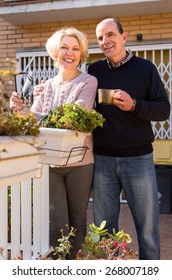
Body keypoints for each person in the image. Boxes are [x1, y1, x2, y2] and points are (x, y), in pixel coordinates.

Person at [10, 27, 98, 259]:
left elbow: (74, 117)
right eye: (64, 47)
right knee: (56, 223)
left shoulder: (88, 82)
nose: (70, 53)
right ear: (55, 52)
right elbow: (33, 123)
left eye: (75, 49)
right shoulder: (46, 86)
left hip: (80, 161)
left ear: (81, 54)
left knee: (78, 220)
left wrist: (37, 114)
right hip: (49, 161)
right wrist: (20, 110)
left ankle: (75, 267)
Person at [88, 18, 171, 260]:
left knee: (147, 231)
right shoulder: (95, 70)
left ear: (124, 37)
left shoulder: (145, 69)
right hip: (102, 159)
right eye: (101, 38)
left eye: (110, 35)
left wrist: (133, 105)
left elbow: (163, 110)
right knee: (104, 231)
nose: (106, 41)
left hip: (139, 159)